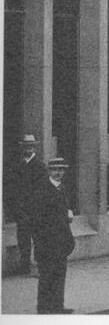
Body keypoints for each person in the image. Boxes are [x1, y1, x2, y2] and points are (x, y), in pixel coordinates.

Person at [31, 157, 75, 314]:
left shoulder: (62, 188)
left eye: (62, 169)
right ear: (49, 171)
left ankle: (58, 306)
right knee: (46, 278)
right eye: (55, 169)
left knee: (59, 276)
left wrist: (66, 215)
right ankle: (43, 309)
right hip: (47, 243)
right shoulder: (42, 190)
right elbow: (38, 219)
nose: (59, 173)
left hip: (61, 242)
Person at [12, 134, 46, 276]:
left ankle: (39, 267)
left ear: (34, 147)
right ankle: (25, 266)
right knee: (23, 238)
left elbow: (42, 189)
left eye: (31, 146)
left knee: (38, 238)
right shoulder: (18, 164)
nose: (28, 148)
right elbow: (13, 187)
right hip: (21, 209)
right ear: (23, 147)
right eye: (26, 146)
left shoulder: (39, 166)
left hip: (35, 209)